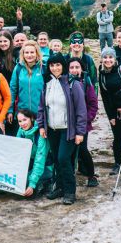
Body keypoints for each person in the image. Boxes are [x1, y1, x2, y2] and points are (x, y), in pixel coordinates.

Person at [37, 53, 86, 205]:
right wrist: (41, 125)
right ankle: (59, 187)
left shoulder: (72, 83)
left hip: (68, 129)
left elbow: (81, 109)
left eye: (58, 65)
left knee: (63, 159)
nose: (55, 68)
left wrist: (80, 132)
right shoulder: (47, 83)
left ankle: (70, 191)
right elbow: (42, 106)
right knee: (56, 160)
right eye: (52, 65)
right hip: (52, 129)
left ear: (63, 66)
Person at [98, 47, 121, 175]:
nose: (108, 60)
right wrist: (111, 116)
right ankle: (118, 164)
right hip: (117, 109)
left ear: (114, 58)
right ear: (102, 59)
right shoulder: (102, 74)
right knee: (118, 138)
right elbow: (105, 97)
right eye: (105, 57)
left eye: (110, 57)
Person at [69, 57, 98, 187]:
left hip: (82, 123)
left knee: (82, 149)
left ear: (81, 69)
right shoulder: (65, 82)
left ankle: (91, 175)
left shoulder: (86, 82)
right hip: (68, 123)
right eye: (71, 67)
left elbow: (93, 103)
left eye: (77, 67)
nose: (74, 70)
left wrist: (87, 119)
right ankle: (70, 175)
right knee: (69, 151)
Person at [9, 41, 44, 124]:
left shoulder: (43, 68)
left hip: (40, 113)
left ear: (37, 53)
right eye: (26, 52)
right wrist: (10, 110)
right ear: (23, 54)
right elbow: (13, 90)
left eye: (32, 52)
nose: (29, 55)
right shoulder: (18, 68)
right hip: (23, 113)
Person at [17, 108, 48, 198]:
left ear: (31, 118)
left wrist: (32, 184)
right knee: (19, 182)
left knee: (29, 186)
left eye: (25, 120)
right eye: (20, 121)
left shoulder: (40, 133)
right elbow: (17, 153)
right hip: (30, 161)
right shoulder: (21, 131)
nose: (22, 123)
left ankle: (49, 181)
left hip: (45, 164)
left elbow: (39, 160)